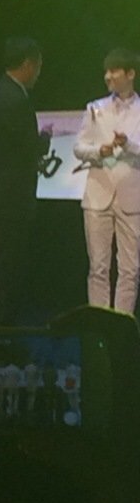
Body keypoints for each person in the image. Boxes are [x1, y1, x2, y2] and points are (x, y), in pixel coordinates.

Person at [0, 37, 50, 325]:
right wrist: (44, 140)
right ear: (28, 64)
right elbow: (27, 146)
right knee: (6, 268)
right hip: (9, 200)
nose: (39, 73)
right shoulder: (15, 99)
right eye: (38, 66)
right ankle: (2, 328)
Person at [74, 48, 140, 313]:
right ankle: (99, 324)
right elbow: (79, 147)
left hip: (132, 197)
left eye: (114, 71)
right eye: (106, 71)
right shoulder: (95, 108)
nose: (108, 76)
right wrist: (98, 151)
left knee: (130, 269)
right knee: (98, 268)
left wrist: (129, 145)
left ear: (130, 74)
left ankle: (122, 324)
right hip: (97, 195)